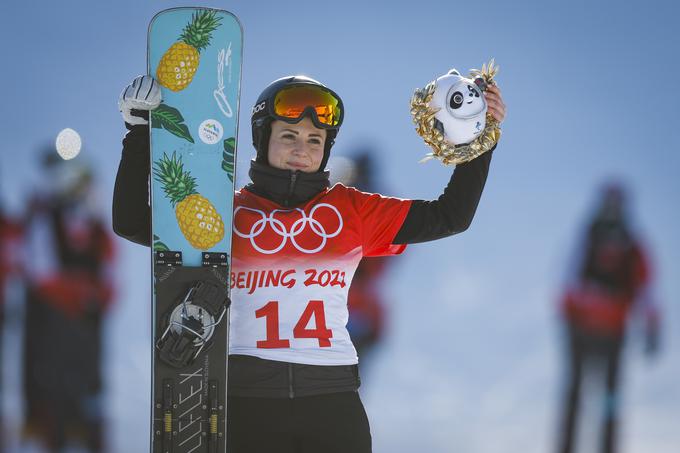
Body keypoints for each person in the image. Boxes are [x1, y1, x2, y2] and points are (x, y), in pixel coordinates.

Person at [114, 74, 506, 452]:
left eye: (315, 140)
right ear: (262, 138)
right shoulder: (225, 213)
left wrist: (478, 137)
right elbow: (132, 222)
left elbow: (451, 216)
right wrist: (138, 133)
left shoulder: (351, 209)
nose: (302, 149)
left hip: (333, 403)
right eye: (289, 136)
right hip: (248, 404)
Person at [556, 182, 661, 453]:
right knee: (580, 395)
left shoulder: (628, 246)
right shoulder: (590, 239)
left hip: (607, 334)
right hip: (586, 333)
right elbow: (568, 280)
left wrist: (652, 326)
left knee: (606, 398)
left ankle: (605, 447)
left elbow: (646, 289)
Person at [21, 153, 115, 452]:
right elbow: (39, 272)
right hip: (52, 329)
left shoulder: (97, 227)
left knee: (90, 396)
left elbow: (113, 279)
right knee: (54, 398)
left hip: (88, 332)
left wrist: (95, 297)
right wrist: (80, 295)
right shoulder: (44, 219)